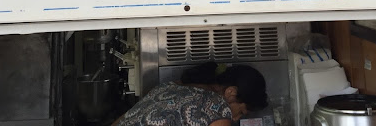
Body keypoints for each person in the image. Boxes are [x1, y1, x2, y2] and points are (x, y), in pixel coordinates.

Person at [113, 62, 268, 126]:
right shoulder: (219, 109)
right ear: (231, 92)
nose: (236, 119)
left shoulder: (169, 87)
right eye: (241, 112)